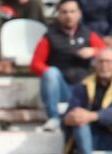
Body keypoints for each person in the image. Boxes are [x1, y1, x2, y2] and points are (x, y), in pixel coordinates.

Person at [32, 0, 107, 132]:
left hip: (83, 88)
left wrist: (94, 51)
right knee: (51, 73)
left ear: (79, 14)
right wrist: (50, 74)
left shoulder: (88, 34)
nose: (69, 16)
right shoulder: (49, 36)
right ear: (58, 15)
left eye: (72, 12)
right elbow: (35, 64)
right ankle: (53, 118)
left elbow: (107, 53)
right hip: (62, 88)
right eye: (64, 12)